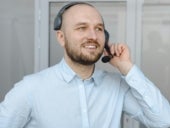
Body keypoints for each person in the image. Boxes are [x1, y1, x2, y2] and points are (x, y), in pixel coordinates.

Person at [0, 2, 170, 128]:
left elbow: (164, 121)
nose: (93, 36)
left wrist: (127, 67)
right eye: (81, 28)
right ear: (61, 37)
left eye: (99, 28)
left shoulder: (117, 86)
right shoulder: (30, 88)